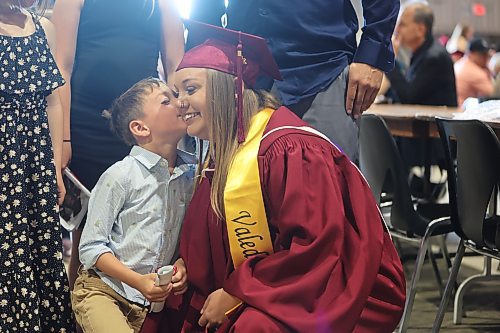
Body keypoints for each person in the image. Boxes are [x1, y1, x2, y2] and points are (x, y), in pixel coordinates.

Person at [146, 20, 406, 333]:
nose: (180, 103)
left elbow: (316, 246)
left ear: (230, 89)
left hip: (339, 283)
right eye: (176, 93)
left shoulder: (290, 148)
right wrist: (189, 266)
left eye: (191, 89)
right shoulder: (224, 149)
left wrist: (236, 291)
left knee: (252, 327)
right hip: (276, 278)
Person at [51, 0, 185, 296]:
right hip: (87, 126)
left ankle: (138, 306)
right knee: (88, 229)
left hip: (145, 127)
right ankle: (84, 312)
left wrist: (181, 113)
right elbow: (62, 66)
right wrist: (63, 139)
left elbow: (176, 66)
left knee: (141, 223)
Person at [188, 0, 400, 162]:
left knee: (327, 193)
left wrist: (372, 54)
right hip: (243, 68)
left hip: (322, 66)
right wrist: (199, 57)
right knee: (239, 195)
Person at [74, 78, 195, 333]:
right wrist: (138, 281)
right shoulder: (121, 175)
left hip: (151, 302)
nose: (180, 103)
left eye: (176, 95)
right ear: (140, 128)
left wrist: (182, 264)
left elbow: (189, 234)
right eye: (167, 100)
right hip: (105, 291)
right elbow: (90, 247)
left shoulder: (191, 175)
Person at [0, 0, 74, 331]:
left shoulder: (43, 27)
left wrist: (55, 165)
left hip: (35, 162)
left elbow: (52, 101)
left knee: (38, 245)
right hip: (5, 163)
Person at [386, 2, 457, 107]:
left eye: (402, 24)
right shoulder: (421, 53)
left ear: (420, 30)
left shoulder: (435, 57)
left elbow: (408, 98)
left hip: (436, 123)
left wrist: (390, 59)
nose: (397, 30)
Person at [454, 38, 494, 107]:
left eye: (487, 54)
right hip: (462, 112)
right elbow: (493, 95)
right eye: (482, 54)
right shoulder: (474, 71)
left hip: (456, 108)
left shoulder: (462, 63)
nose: (486, 58)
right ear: (471, 54)